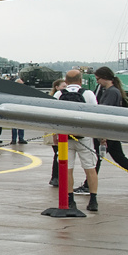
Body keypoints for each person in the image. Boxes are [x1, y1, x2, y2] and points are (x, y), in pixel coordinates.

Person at [92, 66, 128, 196]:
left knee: (97, 158)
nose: (97, 82)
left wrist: (102, 134)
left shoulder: (111, 92)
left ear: (104, 78)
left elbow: (105, 113)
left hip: (108, 131)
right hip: (111, 131)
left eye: (98, 79)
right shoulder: (111, 91)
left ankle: (88, 184)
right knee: (118, 157)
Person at [53, 69, 100, 212]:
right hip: (84, 136)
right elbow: (95, 114)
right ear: (80, 81)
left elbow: (54, 116)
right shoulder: (88, 94)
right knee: (90, 168)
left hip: (64, 137)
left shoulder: (59, 94)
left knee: (67, 169)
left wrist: (55, 133)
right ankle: (93, 200)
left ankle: (70, 199)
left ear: (66, 81)